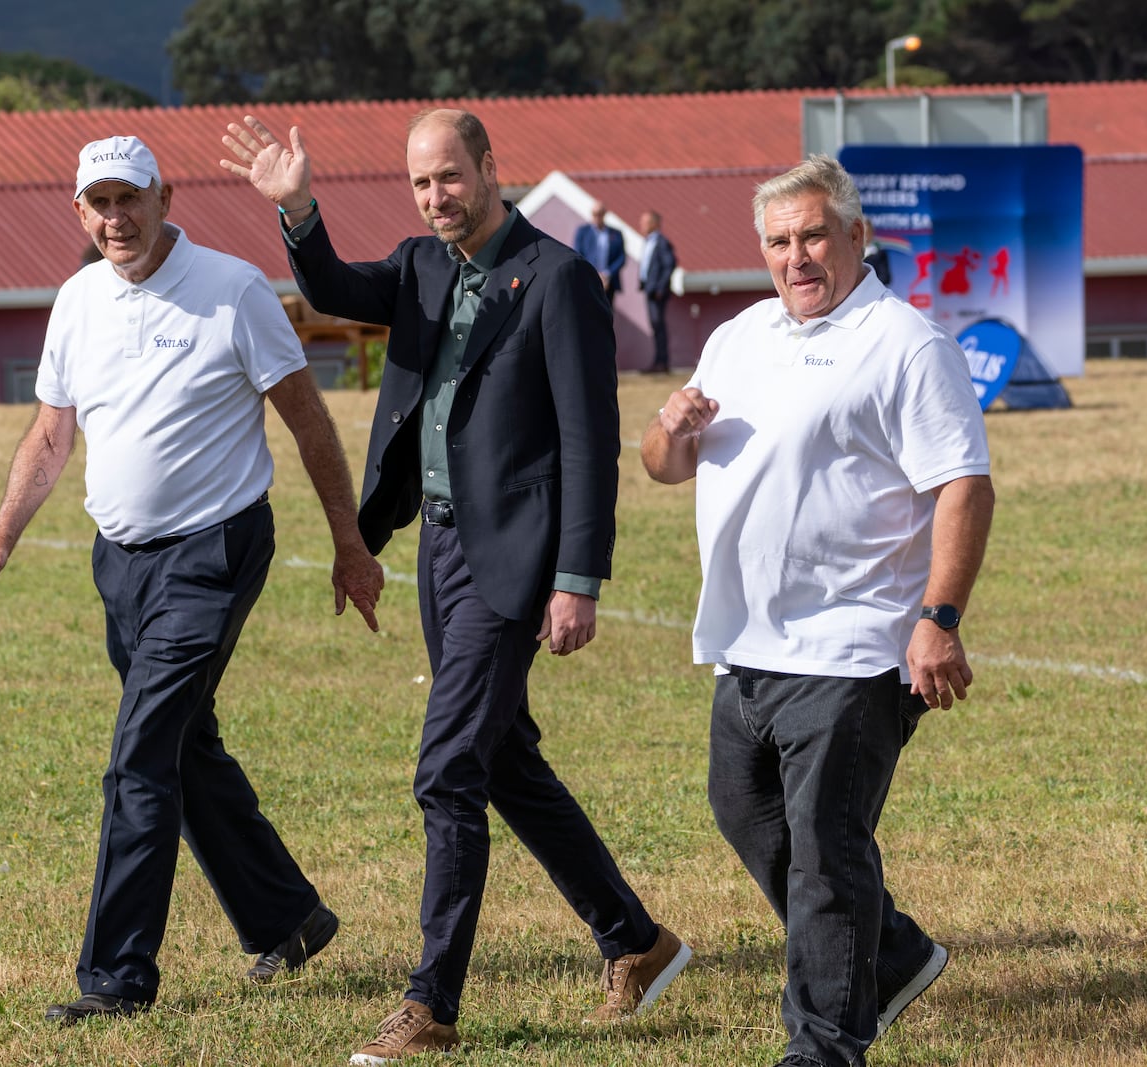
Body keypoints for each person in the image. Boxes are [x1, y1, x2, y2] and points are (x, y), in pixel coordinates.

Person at [221, 109, 690, 1064]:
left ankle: (430, 1005)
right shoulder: (421, 263)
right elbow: (335, 288)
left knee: (448, 771)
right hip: (436, 550)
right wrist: (299, 208)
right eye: (421, 184)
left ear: (487, 167)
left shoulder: (558, 279)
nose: (436, 199)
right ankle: (637, 942)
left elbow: (588, 445)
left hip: (510, 557)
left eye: (450, 178)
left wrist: (576, 579)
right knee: (502, 760)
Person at [0, 135, 384, 1025]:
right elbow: (49, 437)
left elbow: (308, 423)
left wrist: (351, 546)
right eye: (99, 203)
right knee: (182, 745)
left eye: (130, 199)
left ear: (164, 197)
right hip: (121, 563)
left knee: (140, 757)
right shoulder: (76, 300)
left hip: (215, 552)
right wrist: (2, 533)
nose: (116, 218)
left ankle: (115, 980)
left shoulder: (232, 291)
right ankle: (287, 916)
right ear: (79, 211)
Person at [641, 154, 994, 1067]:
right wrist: (667, 433)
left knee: (827, 851)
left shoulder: (906, 345)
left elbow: (962, 486)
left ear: (855, 238)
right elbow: (664, 465)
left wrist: (938, 617)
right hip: (745, 639)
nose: (797, 257)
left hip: (857, 644)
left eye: (812, 236)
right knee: (744, 811)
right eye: (778, 241)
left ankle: (824, 1043)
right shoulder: (739, 336)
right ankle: (897, 953)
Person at [638, 210, 676, 372]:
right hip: (649, 289)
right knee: (655, 326)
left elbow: (669, 265)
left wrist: (660, 287)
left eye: (645, 222)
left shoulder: (661, 242)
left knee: (658, 325)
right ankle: (657, 361)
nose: (641, 225)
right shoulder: (647, 242)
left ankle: (662, 362)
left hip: (657, 292)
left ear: (654, 224)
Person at [571, 201, 626, 307]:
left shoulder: (616, 234)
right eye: (594, 213)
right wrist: (594, 273)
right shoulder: (583, 232)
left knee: (607, 311)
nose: (597, 217)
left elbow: (621, 257)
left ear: (604, 214)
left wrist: (606, 274)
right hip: (588, 279)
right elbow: (578, 254)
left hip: (608, 282)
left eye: (600, 213)